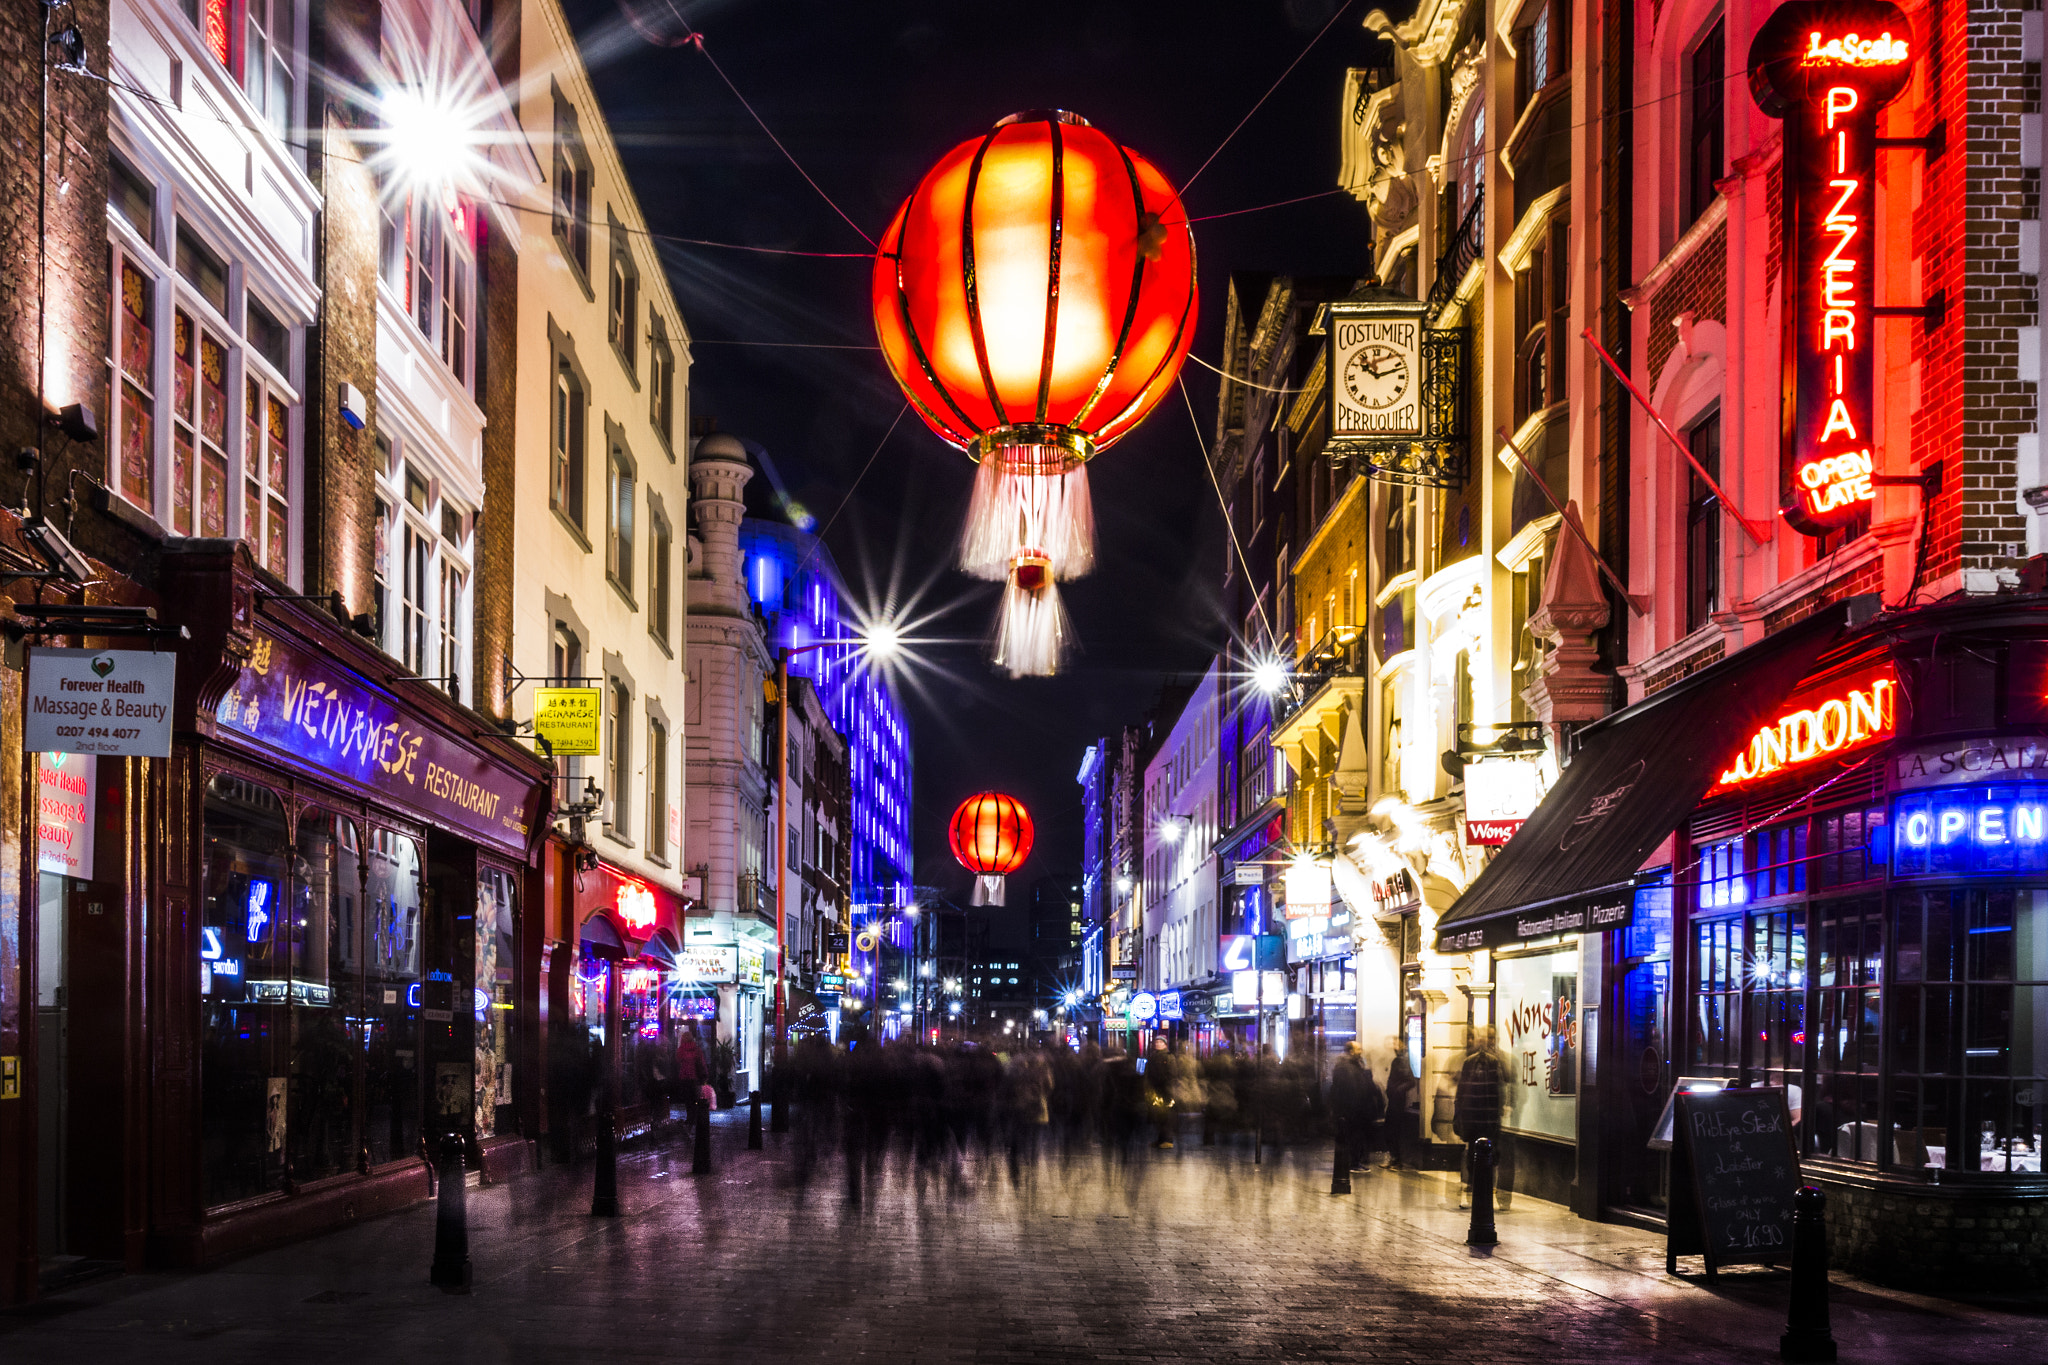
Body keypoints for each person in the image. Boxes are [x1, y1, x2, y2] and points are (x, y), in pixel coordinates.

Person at [1453, 1026, 1513, 1209]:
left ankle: (1484, 1192)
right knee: (1473, 1155)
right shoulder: (1469, 1062)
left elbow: (1499, 1089)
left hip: (1486, 1118)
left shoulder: (1495, 1061)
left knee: (1487, 1155)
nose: (1483, 1042)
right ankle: (1471, 1190)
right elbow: (1462, 1091)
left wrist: (1500, 1110)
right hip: (1476, 1118)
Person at [1385, 1044, 1418, 1171]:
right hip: (1395, 1100)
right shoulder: (1398, 1060)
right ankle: (1394, 1159)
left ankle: (1397, 1161)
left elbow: (1410, 1081)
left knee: (1393, 1130)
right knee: (1390, 1130)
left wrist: (1396, 1091)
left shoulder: (1402, 1061)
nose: (1394, 1046)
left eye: (1397, 1044)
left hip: (1397, 1101)